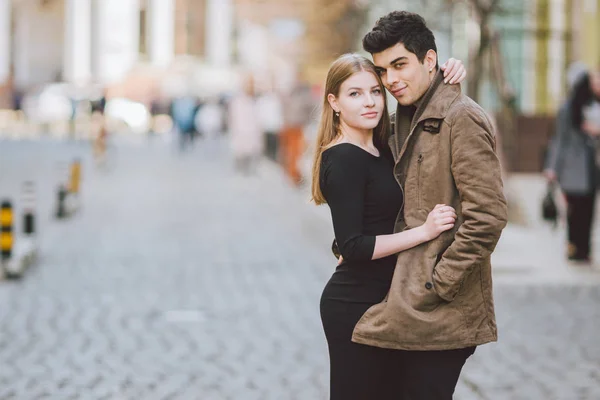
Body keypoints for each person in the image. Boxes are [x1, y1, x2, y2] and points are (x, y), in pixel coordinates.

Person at [323, 11, 508, 399]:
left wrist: (438, 281)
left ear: (429, 60)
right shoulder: (400, 120)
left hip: (439, 305)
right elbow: (379, 194)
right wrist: (348, 243)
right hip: (401, 304)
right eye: (383, 71)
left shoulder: (462, 119)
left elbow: (487, 217)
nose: (390, 80)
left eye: (400, 65)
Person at [312, 50, 470, 397]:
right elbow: (354, 246)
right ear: (334, 102)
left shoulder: (383, 145)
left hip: (391, 298)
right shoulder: (342, 158)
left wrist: (446, 73)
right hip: (355, 303)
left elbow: (421, 104)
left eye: (375, 91)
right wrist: (424, 232)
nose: (369, 102)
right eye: (355, 94)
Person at [545, 66, 600, 262]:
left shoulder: (593, 107)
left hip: (590, 169)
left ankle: (585, 250)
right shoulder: (568, 109)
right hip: (572, 169)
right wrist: (552, 168)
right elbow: (558, 140)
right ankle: (573, 248)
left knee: (588, 210)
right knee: (574, 211)